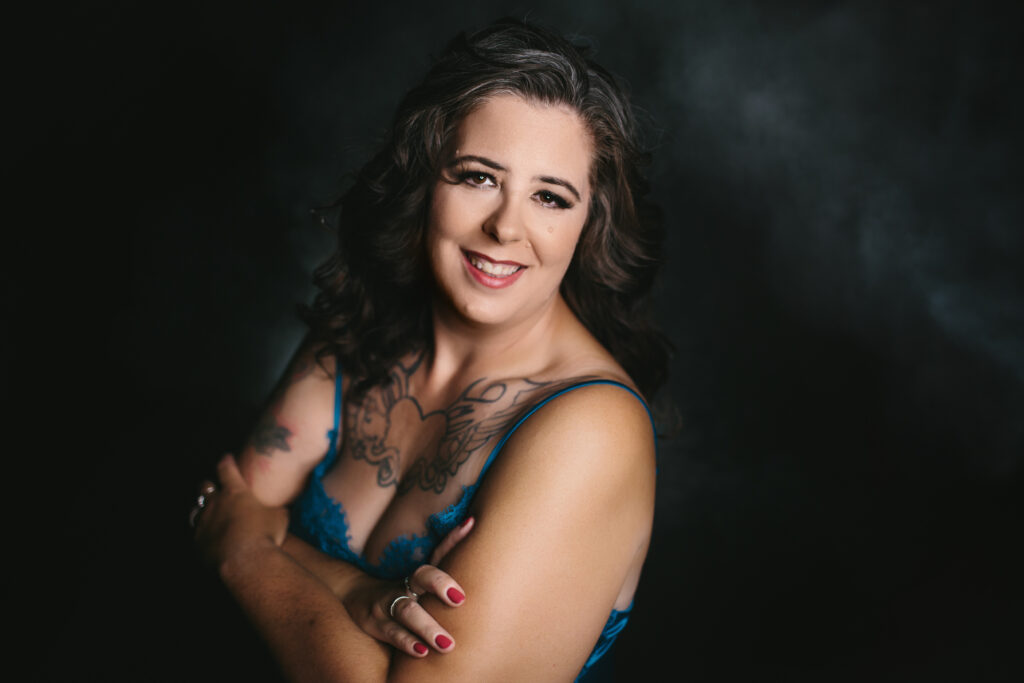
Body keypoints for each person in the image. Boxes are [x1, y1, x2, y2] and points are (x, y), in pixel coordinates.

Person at [191, 17, 669, 682]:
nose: (506, 226)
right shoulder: (360, 333)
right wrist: (359, 595)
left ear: (590, 223)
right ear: (426, 180)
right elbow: (227, 503)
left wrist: (247, 555)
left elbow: (232, 525)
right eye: (478, 177)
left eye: (551, 197)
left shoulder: (591, 429)